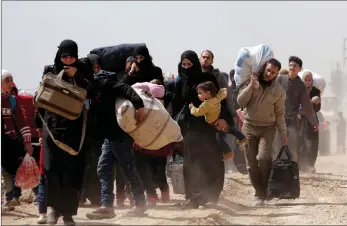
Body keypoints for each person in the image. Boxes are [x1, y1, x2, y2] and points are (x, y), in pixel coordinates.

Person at [34, 39, 94, 225]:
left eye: (71, 56)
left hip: (74, 130)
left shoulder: (84, 70)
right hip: (51, 129)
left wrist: (79, 76)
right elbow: (42, 98)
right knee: (52, 170)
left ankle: (68, 213)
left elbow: (93, 92)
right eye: (64, 56)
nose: (68, 60)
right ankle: (53, 210)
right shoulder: (50, 70)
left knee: (71, 171)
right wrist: (38, 124)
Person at [165, 50, 234, 208]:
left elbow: (219, 102)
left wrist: (225, 119)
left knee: (210, 160)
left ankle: (211, 194)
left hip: (207, 126)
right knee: (190, 162)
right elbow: (177, 107)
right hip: (189, 128)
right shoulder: (180, 81)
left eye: (190, 64)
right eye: (184, 64)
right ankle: (193, 197)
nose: (187, 67)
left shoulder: (207, 79)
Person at [85, 55, 148, 219]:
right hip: (109, 136)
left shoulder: (103, 83)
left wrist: (139, 106)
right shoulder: (92, 87)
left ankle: (139, 203)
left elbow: (125, 88)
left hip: (119, 134)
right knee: (103, 167)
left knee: (128, 168)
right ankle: (107, 206)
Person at [237, 58, 287, 207]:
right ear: (264, 68)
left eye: (273, 72)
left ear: (277, 74)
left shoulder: (278, 91)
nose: (270, 73)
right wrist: (251, 87)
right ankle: (259, 193)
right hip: (249, 127)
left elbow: (279, 113)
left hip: (268, 128)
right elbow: (241, 101)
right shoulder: (251, 82)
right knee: (251, 163)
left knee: (264, 159)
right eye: (268, 70)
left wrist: (283, 133)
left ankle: (264, 189)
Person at [276, 56, 318, 166]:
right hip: (277, 119)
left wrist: (313, 121)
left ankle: (293, 171)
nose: (292, 67)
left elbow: (307, 106)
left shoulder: (301, 86)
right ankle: (276, 171)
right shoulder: (280, 79)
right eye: (290, 65)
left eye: (295, 66)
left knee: (292, 145)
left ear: (300, 69)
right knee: (276, 146)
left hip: (292, 120)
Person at [188, 81, 247, 159]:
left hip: (215, 124)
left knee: (219, 139)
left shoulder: (206, 105)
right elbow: (224, 92)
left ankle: (228, 153)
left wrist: (192, 108)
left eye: (200, 93)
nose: (198, 95)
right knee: (231, 130)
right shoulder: (217, 97)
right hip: (220, 120)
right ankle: (243, 138)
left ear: (208, 93)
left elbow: (198, 112)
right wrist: (219, 90)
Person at [1, 69, 33, 212]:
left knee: (9, 171)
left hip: (9, 143)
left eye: (11, 80)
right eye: (6, 80)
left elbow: (21, 123)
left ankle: (10, 199)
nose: (10, 83)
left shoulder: (13, 101)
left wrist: (27, 142)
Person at [299, 71, 321, 173]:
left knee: (312, 142)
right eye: (305, 80)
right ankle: (301, 164)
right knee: (300, 141)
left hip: (311, 119)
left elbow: (318, 107)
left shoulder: (316, 91)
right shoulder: (298, 90)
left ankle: (310, 164)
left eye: (309, 80)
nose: (307, 82)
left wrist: (312, 104)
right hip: (299, 119)